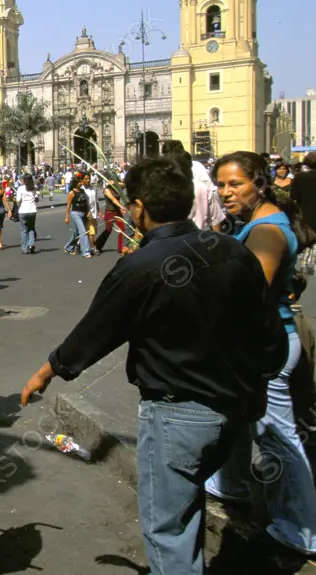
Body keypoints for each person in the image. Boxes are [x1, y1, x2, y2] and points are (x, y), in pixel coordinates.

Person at [20, 158, 288, 575]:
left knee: (169, 529)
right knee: (186, 505)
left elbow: (98, 330)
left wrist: (48, 370)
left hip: (176, 416)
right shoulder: (233, 250)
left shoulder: (139, 266)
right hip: (236, 411)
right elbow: (270, 337)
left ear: (139, 207)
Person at [205, 151, 316, 560]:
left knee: (278, 438)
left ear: (260, 183)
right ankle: (227, 484)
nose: (225, 191)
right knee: (235, 415)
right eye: (221, 184)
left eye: (235, 184)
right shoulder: (258, 223)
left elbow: (249, 293)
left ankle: (301, 529)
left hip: (265, 346)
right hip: (256, 344)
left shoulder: (267, 230)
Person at [14, 173, 39, 254]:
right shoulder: (34, 188)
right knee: (31, 228)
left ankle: (25, 248)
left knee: (24, 230)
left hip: (23, 211)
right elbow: (36, 199)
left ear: (24, 180)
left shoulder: (20, 188)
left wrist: (18, 205)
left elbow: (18, 200)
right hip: (32, 210)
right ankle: (31, 244)